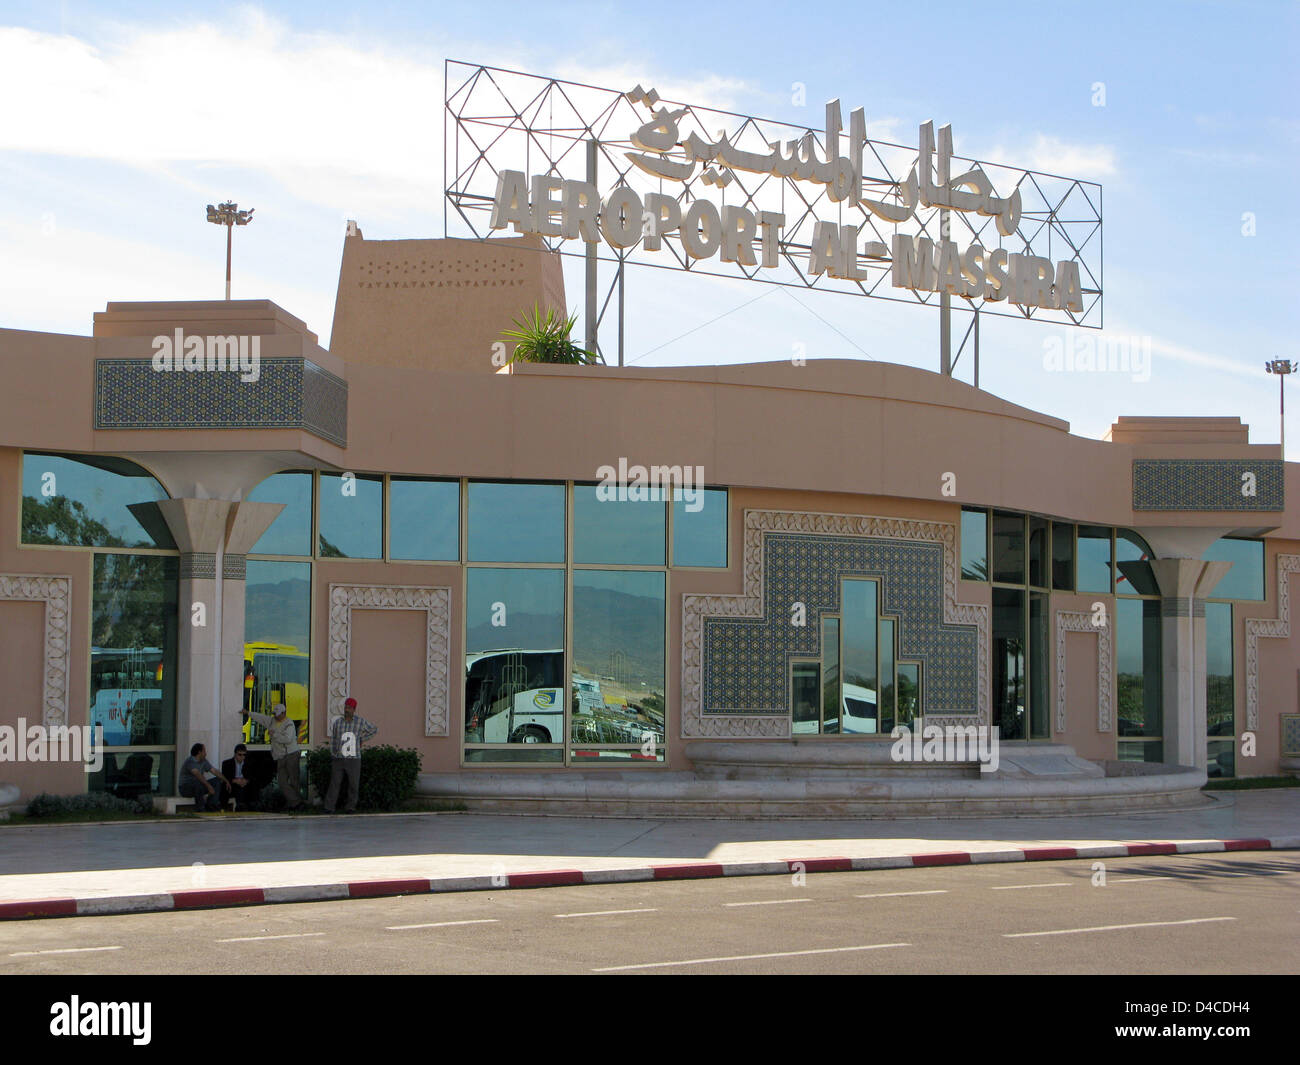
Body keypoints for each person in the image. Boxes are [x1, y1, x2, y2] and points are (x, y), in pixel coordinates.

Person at [324, 697, 377, 814]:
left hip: (354, 758)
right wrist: (333, 753)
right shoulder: (338, 722)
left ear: (354, 709)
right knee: (334, 783)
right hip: (339, 757)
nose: (347, 710)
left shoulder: (360, 722)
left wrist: (362, 739)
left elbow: (373, 729)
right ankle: (329, 807)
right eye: (346, 707)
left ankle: (350, 807)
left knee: (353, 784)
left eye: (349, 708)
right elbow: (334, 739)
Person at [244, 703, 303, 810]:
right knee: (282, 781)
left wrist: (274, 734)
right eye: (274, 714)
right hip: (280, 757)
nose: (275, 716)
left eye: (278, 714)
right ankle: (296, 802)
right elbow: (261, 718)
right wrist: (248, 713)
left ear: (284, 713)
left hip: (291, 755)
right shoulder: (272, 721)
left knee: (294, 780)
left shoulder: (289, 724)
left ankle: (296, 804)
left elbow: (287, 739)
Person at [178, 743, 229, 812]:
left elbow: (214, 771)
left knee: (217, 781)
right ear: (199, 752)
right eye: (204, 751)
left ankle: (212, 804)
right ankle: (200, 808)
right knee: (198, 783)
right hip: (185, 788)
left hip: (198, 786)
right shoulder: (190, 762)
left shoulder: (204, 761)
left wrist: (226, 781)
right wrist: (209, 786)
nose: (206, 753)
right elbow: (198, 775)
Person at [221, 743, 260, 811]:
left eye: (244, 755)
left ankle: (253, 806)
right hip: (233, 784)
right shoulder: (227, 763)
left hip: (244, 784)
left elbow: (252, 776)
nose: (242, 757)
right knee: (226, 786)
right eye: (240, 754)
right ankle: (226, 807)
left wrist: (246, 781)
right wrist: (235, 780)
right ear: (235, 754)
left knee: (253, 784)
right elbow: (225, 776)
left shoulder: (248, 763)